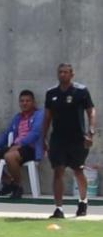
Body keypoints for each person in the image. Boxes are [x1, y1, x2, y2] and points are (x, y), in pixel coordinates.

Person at [41, 64, 96, 218]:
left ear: (72, 74)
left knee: (78, 170)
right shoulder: (51, 93)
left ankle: (83, 201)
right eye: (60, 72)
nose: (62, 75)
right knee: (58, 171)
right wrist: (43, 137)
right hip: (58, 139)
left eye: (66, 72)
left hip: (78, 139)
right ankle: (59, 208)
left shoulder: (81, 91)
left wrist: (90, 132)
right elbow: (47, 117)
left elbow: (91, 111)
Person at [0, 90, 44, 199]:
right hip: (15, 148)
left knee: (9, 156)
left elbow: (35, 133)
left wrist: (20, 144)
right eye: (22, 101)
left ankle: (18, 186)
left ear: (33, 102)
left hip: (30, 148)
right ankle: (9, 182)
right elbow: (7, 133)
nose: (24, 103)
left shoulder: (39, 115)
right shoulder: (18, 117)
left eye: (27, 101)